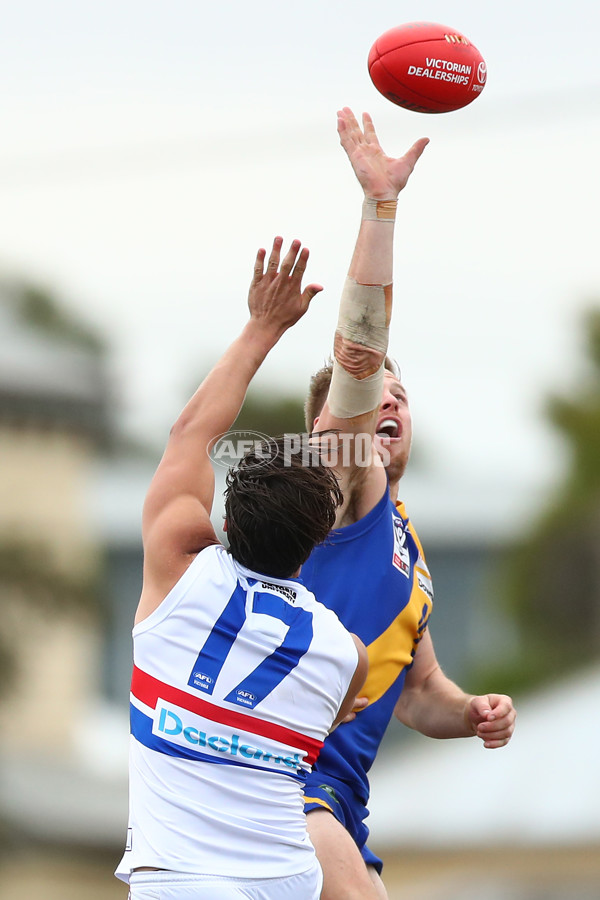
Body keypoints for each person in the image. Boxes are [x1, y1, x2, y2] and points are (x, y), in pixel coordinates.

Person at [300, 108, 517, 900]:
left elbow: (417, 692)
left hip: (345, 805)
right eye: (371, 396)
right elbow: (358, 348)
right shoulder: (341, 485)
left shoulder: (407, 543)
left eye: (402, 392)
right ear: (333, 428)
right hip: (287, 783)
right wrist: (380, 208)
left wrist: (472, 712)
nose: (387, 398)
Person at [115, 236, 368, 900]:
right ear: (317, 545)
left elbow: (188, 436)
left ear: (222, 522)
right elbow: (338, 710)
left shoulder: (177, 565)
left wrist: (264, 326)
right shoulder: (345, 654)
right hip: (284, 882)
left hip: (181, 884)